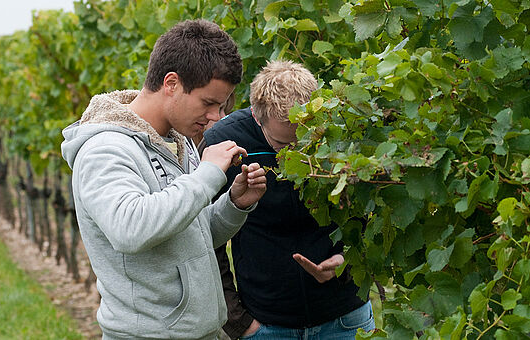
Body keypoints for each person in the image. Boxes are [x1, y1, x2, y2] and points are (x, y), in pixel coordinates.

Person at [60, 19, 267, 340]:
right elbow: (130, 229)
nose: (217, 116)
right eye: (208, 103)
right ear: (171, 83)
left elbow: (191, 236)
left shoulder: (179, 142)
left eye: (221, 105)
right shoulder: (104, 150)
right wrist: (209, 175)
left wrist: (234, 204)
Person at [202, 60, 375, 340]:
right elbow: (206, 236)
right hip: (266, 326)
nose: (296, 154)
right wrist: (237, 321)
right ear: (258, 119)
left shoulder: (344, 130)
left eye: (306, 142)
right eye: (283, 145)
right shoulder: (223, 143)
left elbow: (374, 212)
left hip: (345, 318)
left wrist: (347, 262)